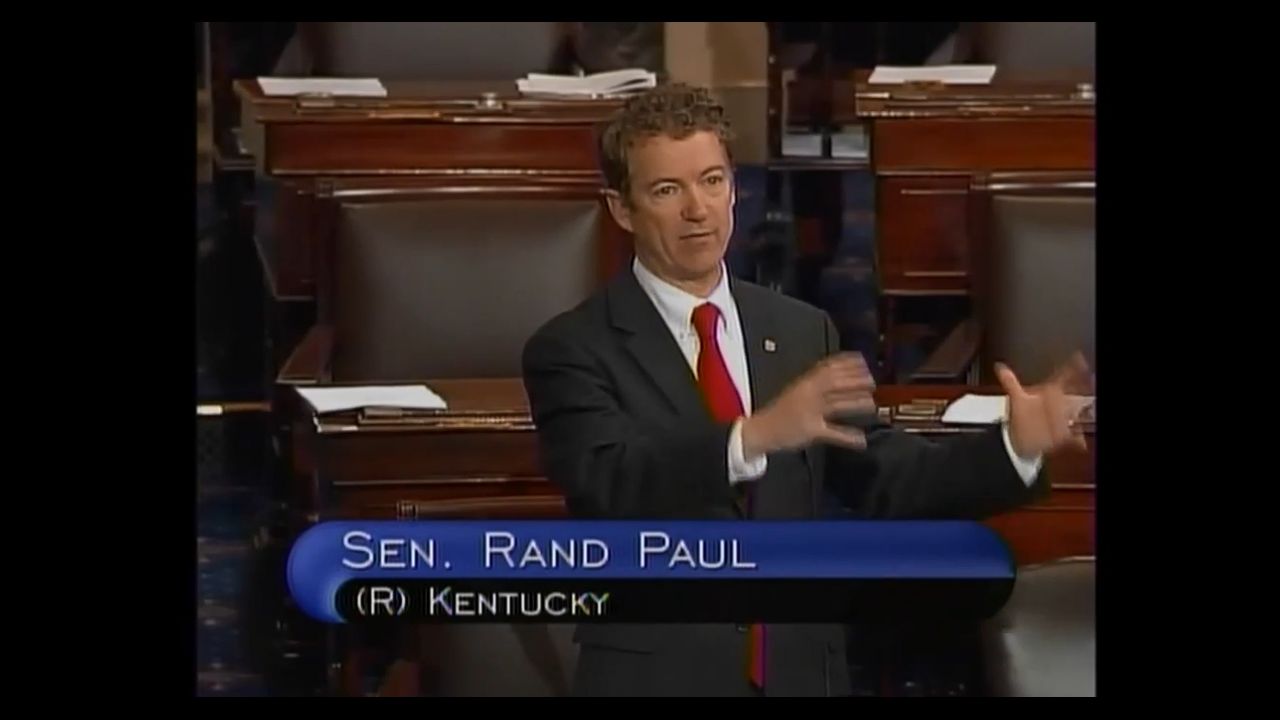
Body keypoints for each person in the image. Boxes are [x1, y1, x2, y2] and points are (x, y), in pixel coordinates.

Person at [520, 82, 1092, 697]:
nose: (698, 209)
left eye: (712, 181)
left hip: (799, 672)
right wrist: (753, 437)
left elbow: (890, 476)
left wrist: (1014, 447)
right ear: (621, 209)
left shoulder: (797, 330)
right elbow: (611, 480)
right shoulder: (573, 348)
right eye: (667, 190)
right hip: (655, 676)